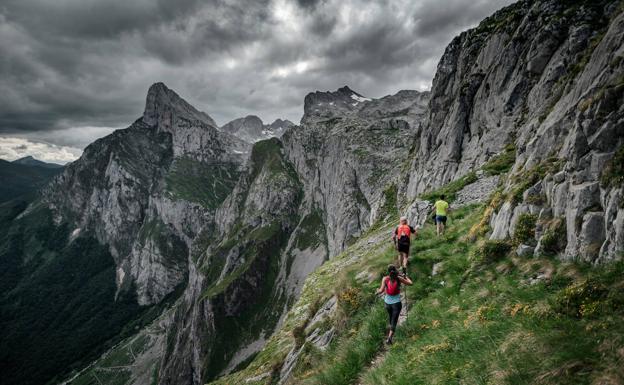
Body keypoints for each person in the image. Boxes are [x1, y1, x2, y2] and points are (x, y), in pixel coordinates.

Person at [376, 264, 413, 345]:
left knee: (391, 318)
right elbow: (410, 283)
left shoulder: (385, 279)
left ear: (388, 272)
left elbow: (381, 291)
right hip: (396, 303)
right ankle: (389, 338)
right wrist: (406, 277)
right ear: (395, 270)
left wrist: (377, 291)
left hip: (387, 303)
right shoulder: (399, 278)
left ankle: (390, 333)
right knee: (394, 320)